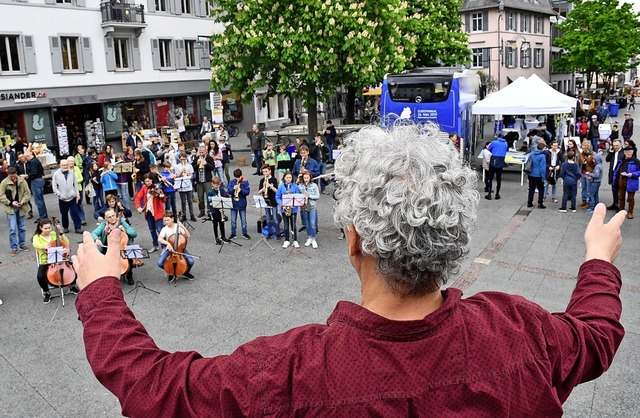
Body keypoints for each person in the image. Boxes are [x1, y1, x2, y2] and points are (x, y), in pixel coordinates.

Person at [73, 125, 626, 417]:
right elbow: (598, 337)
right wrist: (597, 259)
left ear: (355, 239)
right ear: (456, 233)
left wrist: (101, 290)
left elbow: (156, 389)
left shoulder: (291, 373)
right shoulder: (520, 332)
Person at [33, 218, 79, 304]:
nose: (48, 230)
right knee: (40, 276)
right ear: (40, 228)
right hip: (46, 261)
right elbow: (35, 244)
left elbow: (67, 242)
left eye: (49, 228)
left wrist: (61, 232)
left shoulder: (54, 234)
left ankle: (72, 286)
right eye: (46, 228)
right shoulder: (37, 237)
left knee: (75, 268)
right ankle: (47, 292)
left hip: (61, 259)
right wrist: (45, 246)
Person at [91, 208, 137, 285]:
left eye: (113, 216)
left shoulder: (121, 222)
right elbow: (93, 233)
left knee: (129, 258)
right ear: (106, 219)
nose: (112, 218)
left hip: (122, 247)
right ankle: (108, 276)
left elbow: (134, 233)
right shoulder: (103, 225)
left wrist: (125, 230)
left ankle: (129, 275)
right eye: (109, 217)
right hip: (109, 247)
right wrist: (96, 239)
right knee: (102, 259)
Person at [0, 167, 31, 256]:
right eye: (11, 176)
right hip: (10, 208)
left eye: (14, 176)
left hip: (21, 207)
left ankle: (22, 244)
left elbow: (27, 193)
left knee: (22, 227)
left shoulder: (22, 181)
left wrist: (22, 201)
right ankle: (14, 247)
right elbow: (1, 196)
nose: (13, 178)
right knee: (12, 228)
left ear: (16, 173)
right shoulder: (4, 183)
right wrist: (10, 202)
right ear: (8, 174)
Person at [156, 211, 195, 283]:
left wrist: (183, 226)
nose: (166, 222)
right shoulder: (164, 229)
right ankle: (170, 272)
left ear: (172, 219)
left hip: (180, 249)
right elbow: (159, 239)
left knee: (191, 261)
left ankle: (185, 272)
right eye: (164, 220)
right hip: (170, 250)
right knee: (159, 263)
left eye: (168, 220)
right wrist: (168, 243)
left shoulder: (178, 226)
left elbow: (188, 236)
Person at [135, 174, 166, 252]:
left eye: (148, 181)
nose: (147, 183)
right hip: (148, 212)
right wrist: (138, 207)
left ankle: (164, 246)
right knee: (152, 230)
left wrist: (161, 196)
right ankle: (155, 245)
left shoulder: (157, 188)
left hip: (157, 212)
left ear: (152, 180)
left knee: (159, 229)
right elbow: (138, 198)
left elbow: (163, 200)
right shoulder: (144, 188)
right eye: (145, 181)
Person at [52, 160, 83, 234]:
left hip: (72, 197)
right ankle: (65, 227)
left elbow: (75, 184)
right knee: (64, 213)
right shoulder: (56, 174)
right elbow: (54, 186)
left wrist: (77, 194)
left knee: (75, 212)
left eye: (66, 165)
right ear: (60, 165)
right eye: (63, 165)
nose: (65, 167)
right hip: (62, 198)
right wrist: (59, 194)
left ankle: (78, 227)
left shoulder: (71, 173)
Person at [613, 145, 640, 219]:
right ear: (624, 152)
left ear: (633, 152)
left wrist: (633, 174)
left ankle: (630, 212)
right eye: (627, 152)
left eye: (630, 152)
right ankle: (621, 211)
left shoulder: (636, 161)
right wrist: (614, 180)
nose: (629, 153)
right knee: (621, 197)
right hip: (621, 181)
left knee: (631, 198)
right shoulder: (621, 161)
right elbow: (616, 171)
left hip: (631, 181)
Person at [276, 170, 300, 248]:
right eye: (287, 177)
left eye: (290, 177)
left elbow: (298, 196)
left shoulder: (295, 186)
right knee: (286, 225)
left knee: (294, 225)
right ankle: (286, 240)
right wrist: (282, 204)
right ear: (284, 178)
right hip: (284, 209)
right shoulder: (281, 187)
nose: (288, 179)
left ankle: (295, 240)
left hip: (293, 209)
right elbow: (278, 197)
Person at [298, 169, 319, 248]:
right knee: (306, 224)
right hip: (304, 207)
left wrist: (309, 196)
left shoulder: (314, 185)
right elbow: (298, 196)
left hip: (312, 206)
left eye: (307, 178)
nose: (306, 179)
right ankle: (309, 237)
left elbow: (317, 196)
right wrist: (302, 197)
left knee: (312, 224)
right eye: (305, 178)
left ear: (310, 178)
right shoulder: (300, 186)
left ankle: (313, 239)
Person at [227, 169, 250, 240]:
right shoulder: (232, 182)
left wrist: (241, 190)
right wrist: (233, 189)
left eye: (238, 177)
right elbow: (228, 191)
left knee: (243, 220)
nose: (237, 179)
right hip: (233, 204)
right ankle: (233, 233)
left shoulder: (245, 182)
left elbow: (247, 192)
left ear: (241, 176)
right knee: (233, 220)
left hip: (242, 204)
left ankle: (245, 233)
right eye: (236, 178)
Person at [206, 177, 230, 245]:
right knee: (215, 224)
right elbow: (210, 203)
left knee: (222, 223)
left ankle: (223, 236)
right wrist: (215, 202)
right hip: (214, 211)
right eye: (216, 185)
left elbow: (226, 196)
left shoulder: (221, 190)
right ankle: (216, 238)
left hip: (220, 210)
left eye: (218, 185)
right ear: (212, 184)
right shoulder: (210, 192)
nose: (217, 186)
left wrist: (226, 197)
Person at [258, 164, 280, 240]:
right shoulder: (262, 180)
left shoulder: (274, 179)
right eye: (263, 172)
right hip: (266, 201)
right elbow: (259, 191)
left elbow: (277, 191)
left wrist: (270, 186)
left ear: (270, 171)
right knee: (268, 218)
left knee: (275, 218)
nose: (265, 173)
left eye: (266, 171)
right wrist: (264, 188)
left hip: (273, 201)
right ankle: (269, 233)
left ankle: (278, 233)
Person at [192, 145, 215, 218]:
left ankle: (209, 210)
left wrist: (206, 164)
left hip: (207, 180)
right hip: (199, 181)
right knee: (200, 196)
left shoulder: (209, 158)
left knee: (209, 196)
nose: (201, 153)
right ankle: (202, 211)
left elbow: (212, 167)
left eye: (202, 152)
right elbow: (192, 168)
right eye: (200, 152)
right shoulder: (196, 158)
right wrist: (197, 164)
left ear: (205, 151)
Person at [25, 151, 48, 220]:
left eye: (26, 157)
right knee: (40, 199)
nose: (26, 159)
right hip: (40, 180)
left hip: (36, 181)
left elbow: (34, 172)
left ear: (28, 156)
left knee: (38, 200)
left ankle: (43, 216)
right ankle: (44, 215)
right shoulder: (36, 160)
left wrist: (27, 175)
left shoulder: (33, 162)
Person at [174, 153, 196, 222]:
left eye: (184, 159)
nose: (182, 160)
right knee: (183, 201)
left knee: (190, 201)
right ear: (179, 159)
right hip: (181, 186)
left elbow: (191, 175)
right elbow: (176, 175)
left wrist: (187, 173)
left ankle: (192, 215)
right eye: (181, 159)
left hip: (188, 185)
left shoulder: (189, 166)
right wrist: (181, 171)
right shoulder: (177, 166)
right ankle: (184, 215)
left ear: (186, 158)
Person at [526, 142, 549, 209]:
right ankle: (540, 203)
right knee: (541, 189)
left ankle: (529, 202)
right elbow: (542, 167)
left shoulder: (532, 154)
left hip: (531, 174)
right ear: (542, 148)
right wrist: (544, 176)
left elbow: (528, 163)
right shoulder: (542, 156)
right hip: (539, 175)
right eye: (545, 148)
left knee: (531, 189)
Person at [486, 134, 507, 200]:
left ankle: (489, 194)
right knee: (499, 179)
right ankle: (497, 194)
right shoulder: (505, 143)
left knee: (490, 177)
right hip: (501, 160)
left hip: (494, 160)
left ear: (498, 137)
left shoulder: (494, 142)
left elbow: (489, 149)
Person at [606, 139, 624, 210]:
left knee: (620, 190)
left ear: (620, 145)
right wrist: (610, 152)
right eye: (614, 146)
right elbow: (607, 160)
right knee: (614, 189)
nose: (615, 147)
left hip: (620, 174)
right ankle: (615, 203)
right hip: (612, 173)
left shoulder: (623, 153)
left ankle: (620, 206)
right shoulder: (613, 152)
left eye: (617, 145)